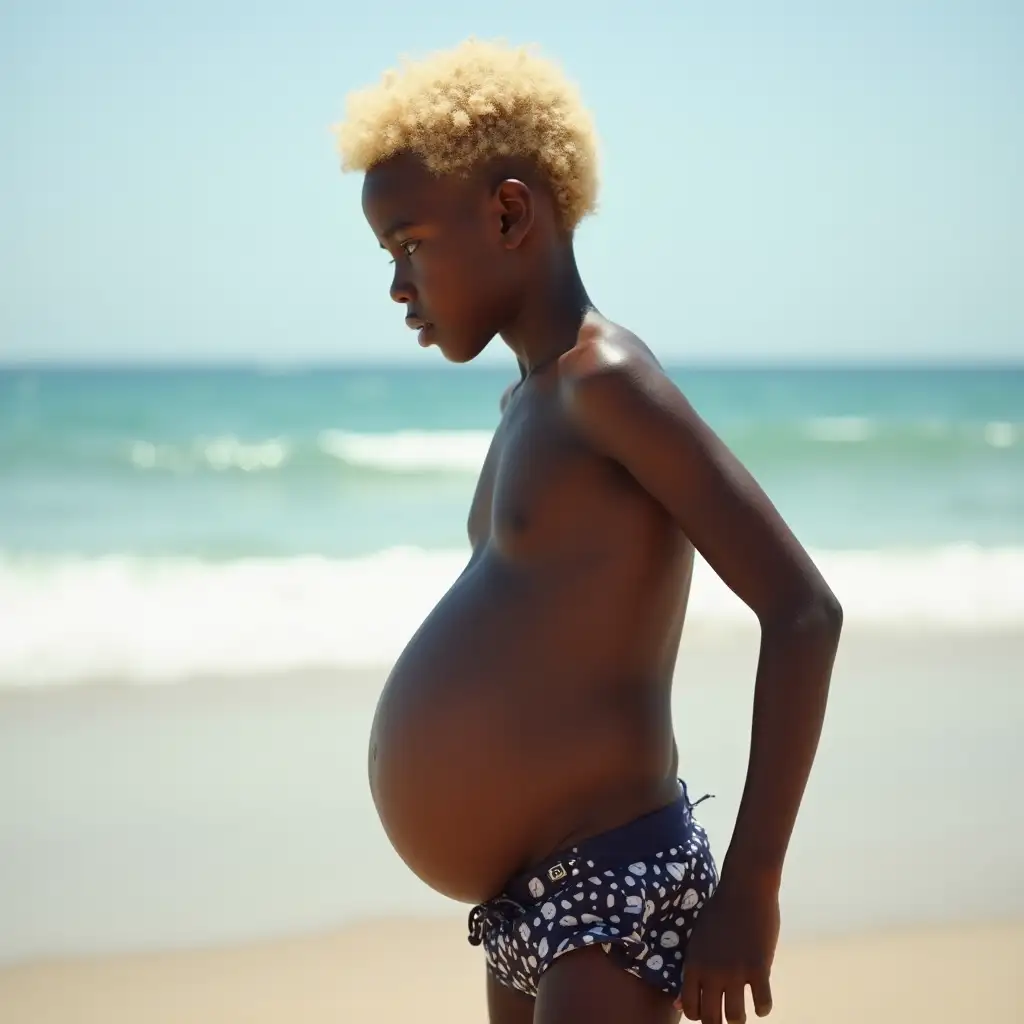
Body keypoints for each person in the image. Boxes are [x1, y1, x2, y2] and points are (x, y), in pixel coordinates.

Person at [334, 38, 842, 1024]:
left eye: (409, 245)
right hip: (522, 903)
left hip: (613, 885)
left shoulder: (604, 383)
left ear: (510, 212)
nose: (398, 286)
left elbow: (802, 610)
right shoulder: (525, 402)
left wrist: (752, 884)